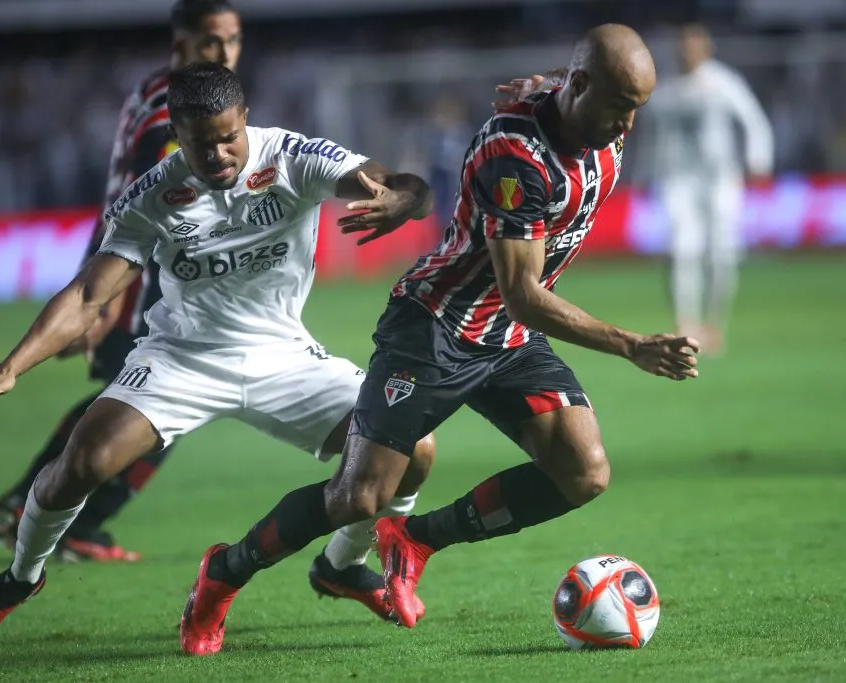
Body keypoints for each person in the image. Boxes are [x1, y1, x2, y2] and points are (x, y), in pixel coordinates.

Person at [179, 23, 698, 642]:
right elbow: (525, 295)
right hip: (435, 330)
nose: (628, 125)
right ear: (584, 86)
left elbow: (565, 91)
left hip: (504, 337)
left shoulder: (584, 116)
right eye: (620, 106)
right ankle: (225, 571)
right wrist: (630, 344)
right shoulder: (517, 158)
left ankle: (416, 539)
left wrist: (552, 84)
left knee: (583, 472)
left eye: (636, 108)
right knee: (356, 499)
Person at [0, 62, 435, 652]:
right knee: (85, 461)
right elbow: (86, 294)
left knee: (413, 449)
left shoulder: (292, 156)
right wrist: (9, 370)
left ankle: (342, 563)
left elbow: (394, 181)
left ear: (244, 120)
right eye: (202, 144)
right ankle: (20, 578)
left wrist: (403, 199)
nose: (220, 153)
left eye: (229, 137)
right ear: (178, 131)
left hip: (284, 355)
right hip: (182, 357)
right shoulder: (154, 194)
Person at [0, 0, 245, 563]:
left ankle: (27, 502)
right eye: (211, 42)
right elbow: (136, 211)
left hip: (145, 276)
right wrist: (103, 300)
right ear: (181, 45)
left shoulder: (159, 93)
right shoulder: (169, 114)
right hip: (143, 282)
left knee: (136, 404)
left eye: (231, 40)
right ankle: (59, 515)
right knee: (160, 408)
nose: (224, 53)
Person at [646, 24, 774, 353]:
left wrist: (758, 158)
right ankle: (685, 323)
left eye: (694, 46)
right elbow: (652, 137)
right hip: (677, 178)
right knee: (681, 249)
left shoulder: (722, 82)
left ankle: (715, 325)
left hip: (720, 178)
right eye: (683, 46)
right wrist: (644, 174)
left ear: (706, 50)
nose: (687, 52)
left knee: (722, 252)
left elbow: (753, 119)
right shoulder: (666, 88)